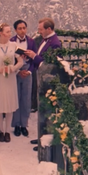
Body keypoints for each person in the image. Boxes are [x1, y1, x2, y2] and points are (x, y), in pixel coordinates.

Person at [0, 22, 25, 143]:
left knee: (9, 105)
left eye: (10, 31)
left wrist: (13, 68)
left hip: (10, 79)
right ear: (1, 33)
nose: (10, 34)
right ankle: (1, 130)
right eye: (7, 31)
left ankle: (7, 131)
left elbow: (20, 61)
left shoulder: (14, 45)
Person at [28, 17, 63, 148]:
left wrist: (34, 57)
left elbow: (50, 65)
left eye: (41, 29)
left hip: (48, 82)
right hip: (41, 79)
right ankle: (40, 137)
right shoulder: (45, 39)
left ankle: (45, 141)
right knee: (42, 109)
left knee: (47, 111)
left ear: (49, 29)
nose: (39, 32)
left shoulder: (55, 43)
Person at [10, 19, 36, 137]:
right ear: (15, 30)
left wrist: (29, 71)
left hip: (27, 71)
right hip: (15, 71)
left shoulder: (31, 41)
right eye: (19, 28)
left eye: (24, 28)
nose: (22, 30)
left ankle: (24, 124)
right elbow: (8, 59)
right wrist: (18, 70)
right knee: (16, 97)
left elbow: (35, 58)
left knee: (26, 98)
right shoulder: (11, 42)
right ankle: (16, 124)